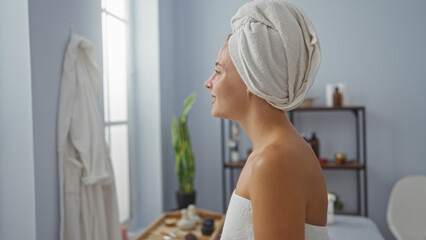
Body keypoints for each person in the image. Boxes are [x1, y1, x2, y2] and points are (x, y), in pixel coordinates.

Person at [204, 0, 330, 239]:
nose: (208, 82)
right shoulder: (275, 152)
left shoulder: (274, 161)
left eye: (219, 71)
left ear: (252, 78)